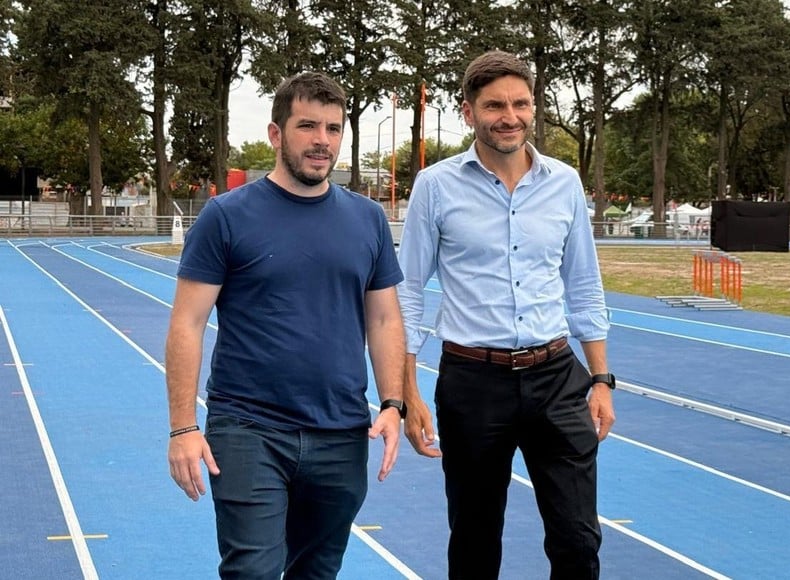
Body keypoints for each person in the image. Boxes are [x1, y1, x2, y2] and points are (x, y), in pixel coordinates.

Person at [165, 71, 407, 579]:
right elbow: (187, 322)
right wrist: (183, 427)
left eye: (334, 129)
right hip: (249, 428)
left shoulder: (367, 220)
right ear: (277, 134)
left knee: (316, 571)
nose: (322, 141)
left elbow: (384, 317)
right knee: (252, 571)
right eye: (308, 126)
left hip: (341, 432)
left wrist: (392, 403)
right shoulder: (225, 217)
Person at [397, 51, 616, 580]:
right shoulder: (435, 185)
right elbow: (406, 293)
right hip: (473, 382)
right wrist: (406, 392)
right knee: (474, 542)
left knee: (578, 541)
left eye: (520, 103)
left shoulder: (564, 183)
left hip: (558, 378)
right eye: (494, 104)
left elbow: (584, 284)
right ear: (469, 112)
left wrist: (602, 379)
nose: (509, 115)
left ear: (533, 108)